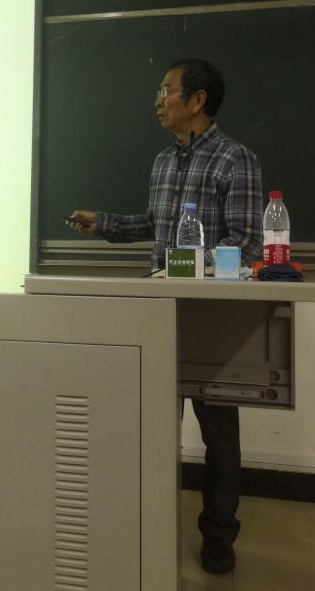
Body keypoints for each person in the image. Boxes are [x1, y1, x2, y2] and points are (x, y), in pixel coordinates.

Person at [66, 58, 263, 575]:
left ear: (197, 100)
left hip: (209, 314)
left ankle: (218, 537)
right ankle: (147, 528)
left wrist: (187, 268)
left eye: (166, 90)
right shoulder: (161, 162)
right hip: (154, 314)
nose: (158, 101)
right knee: (150, 427)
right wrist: (103, 223)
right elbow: (153, 226)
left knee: (219, 435)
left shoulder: (234, 159)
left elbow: (246, 242)